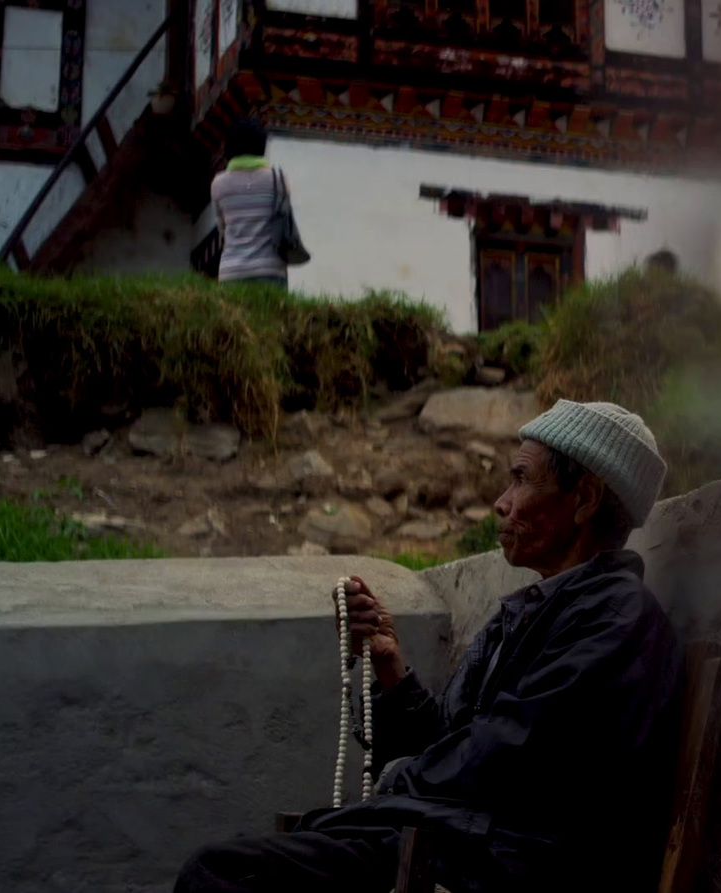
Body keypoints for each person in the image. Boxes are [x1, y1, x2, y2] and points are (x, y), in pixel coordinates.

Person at [174, 401, 685, 893]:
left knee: (222, 875)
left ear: (586, 499)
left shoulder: (617, 617)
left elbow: (507, 753)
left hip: (515, 865)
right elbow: (454, 741)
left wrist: (398, 781)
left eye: (521, 478)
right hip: (468, 846)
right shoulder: (533, 610)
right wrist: (390, 664)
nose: (501, 502)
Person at [211, 119, 290, 288]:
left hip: (231, 272)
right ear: (261, 146)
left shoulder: (218, 184)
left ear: (229, 148)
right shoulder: (278, 179)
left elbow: (222, 229)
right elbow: (284, 222)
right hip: (271, 270)